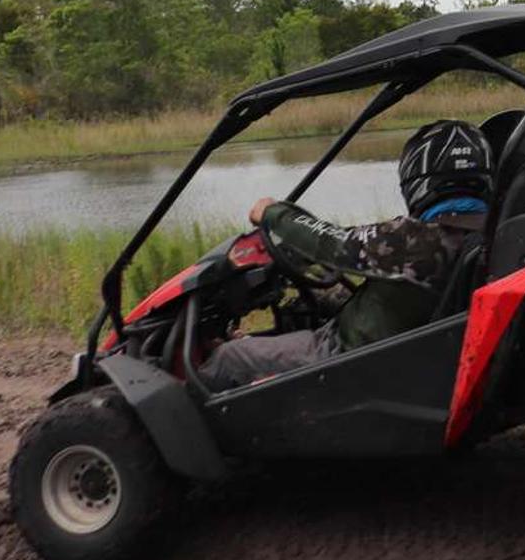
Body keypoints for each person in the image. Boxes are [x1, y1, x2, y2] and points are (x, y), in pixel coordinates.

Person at [200, 119, 493, 391]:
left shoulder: (420, 237)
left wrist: (273, 213)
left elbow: (333, 243)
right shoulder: (487, 234)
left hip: (346, 359)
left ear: (419, 175)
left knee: (229, 358)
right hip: (406, 354)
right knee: (307, 309)